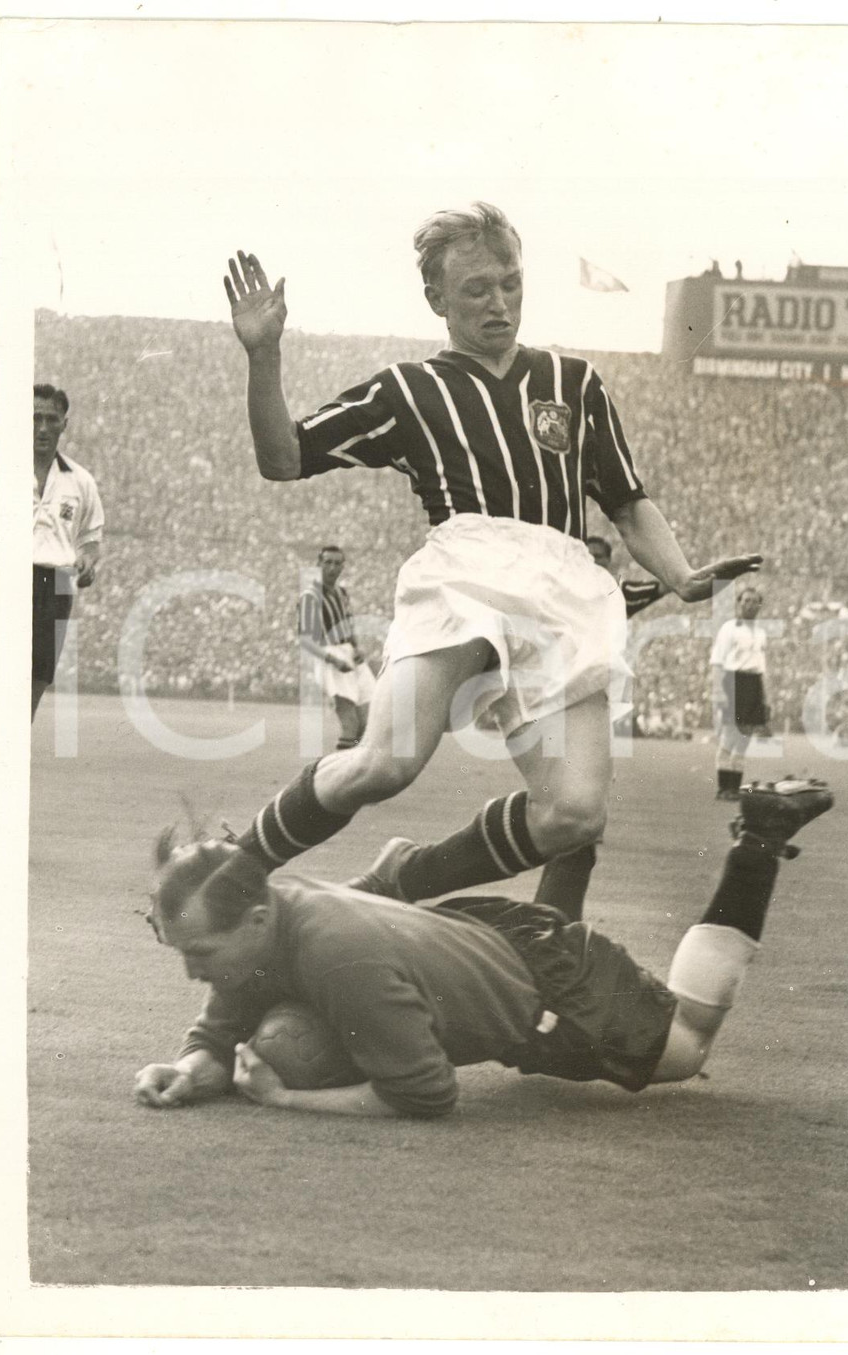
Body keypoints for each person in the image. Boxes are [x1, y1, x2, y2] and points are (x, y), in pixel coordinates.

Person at [221, 202, 760, 902]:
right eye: (477, 288)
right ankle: (237, 865)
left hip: (563, 584)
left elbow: (626, 499)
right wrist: (265, 356)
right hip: (465, 572)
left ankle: (407, 876)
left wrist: (682, 575)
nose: (499, 303)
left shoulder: (575, 384)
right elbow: (283, 457)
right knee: (386, 762)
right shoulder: (407, 390)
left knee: (574, 813)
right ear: (437, 298)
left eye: (510, 283)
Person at [133, 777, 833, 1119]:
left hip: (552, 983)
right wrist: (194, 1065)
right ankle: (570, 846)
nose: (196, 971)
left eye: (201, 951)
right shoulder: (265, 918)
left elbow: (426, 1093)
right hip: (486, 935)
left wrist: (288, 1097)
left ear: (254, 919)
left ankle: (759, 842)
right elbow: (221, 1020)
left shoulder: (337, 958)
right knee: (527, 962)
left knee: (687, 1045)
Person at [532, 534, 667, 919]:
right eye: (589, 555)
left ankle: (554, 911)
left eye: (601, 557)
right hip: (559, 699)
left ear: (610, 562)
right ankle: (552, 916)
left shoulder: (613, 596)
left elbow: (659, 587)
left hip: (595, 699)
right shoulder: (554, 591)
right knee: (571, 806)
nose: (595, 562)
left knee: (583, 804)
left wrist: (683, 576)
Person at [31, 384, 104, 719]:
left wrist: (87, 561)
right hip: (4, 576)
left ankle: (12, 758)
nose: (42, 428)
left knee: (36, 678)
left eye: (51, 419)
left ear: (64, 424)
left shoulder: (80, 480)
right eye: (34, 418)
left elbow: (90, 538)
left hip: (57, 583)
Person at [298, 545, 376, 750]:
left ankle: (353, 773)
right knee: (350, 723)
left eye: (337, 563)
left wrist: (357, 648)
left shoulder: (342, 593)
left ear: (343, 566)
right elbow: (305, 639)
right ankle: (340, 779)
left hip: (349, 653)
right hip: (330, 655)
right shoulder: (310, 596)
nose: (332, 567)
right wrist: (332, 660)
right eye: (328, 562)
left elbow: (347, 627)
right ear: (318, 564)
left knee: (368, 723)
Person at [710, 585, 770, 800]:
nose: (749, 605)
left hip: (754, 685)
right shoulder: (729, 628)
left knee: (744, 741)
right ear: (738, 603)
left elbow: (761, 667)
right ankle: (723, 788)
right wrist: (718, 690)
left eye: (754, 601)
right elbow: (717, 661)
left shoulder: (761, 633)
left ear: (759, 606)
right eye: (745, 601)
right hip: (734, 682)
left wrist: (765, 696)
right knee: (728, 738)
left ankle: (734, 789)